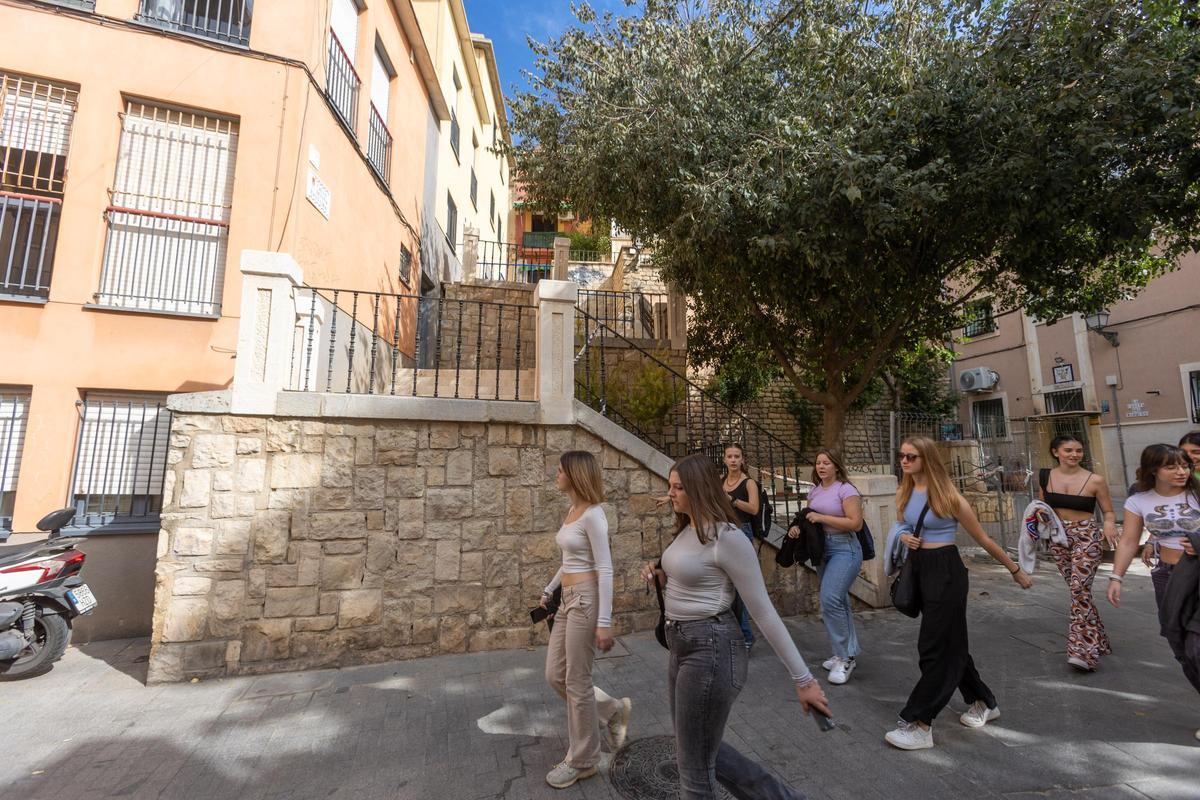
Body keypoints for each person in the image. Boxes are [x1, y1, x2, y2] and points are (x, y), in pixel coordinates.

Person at [640, 454, 831, 800]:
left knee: (694, 771)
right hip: (681, 645)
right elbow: (694, 575)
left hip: (710, 650)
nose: (671, 494)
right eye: (669, 486)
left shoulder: (728, 538)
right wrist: (662, 574)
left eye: (679, 487)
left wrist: (804, 680)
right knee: (694, 747)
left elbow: (763, 612)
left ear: (699, 489)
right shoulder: (687, 527)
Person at [885, 437, 1033, 751]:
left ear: (927, 459)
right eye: (902, 456)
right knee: (952, 645)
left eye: (911, 456)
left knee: (933, 647)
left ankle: (921, 723)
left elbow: (983, 539)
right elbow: (900, 526)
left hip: (947, 573)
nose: (905, 461)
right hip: (921, 569)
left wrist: (1015, 569)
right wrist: (905, 538)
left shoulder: (950, 498)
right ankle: (984, 702)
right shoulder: (906, 491)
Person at [539, 451, 632, 789]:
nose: (556, 474)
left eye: (561, 470)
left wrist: (604, 620)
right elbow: (569, 559)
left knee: (577, 681)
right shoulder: (572, 510)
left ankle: (583, 760)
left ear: (576, 475)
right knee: (555, 675)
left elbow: (605, 568)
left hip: (586, 602)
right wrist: (550, 589)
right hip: (567, 600)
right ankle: (610, 709)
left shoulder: (594, 516)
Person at [1106, 444, 1200, 734]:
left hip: (1198, 574)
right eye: (1172, 466)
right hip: (1167, 576)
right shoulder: (1139, 501)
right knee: (1178, 643)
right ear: (1153, 470)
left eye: (1184, 465)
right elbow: (1128, 541)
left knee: (1197, 646)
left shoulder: (1197, 493)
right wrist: (1116, 577)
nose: (1181, 471)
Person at [1037, 435, 1118, 671]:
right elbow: (1042, 506)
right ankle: (1100, 641)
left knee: (1078, 589)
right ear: (1056, 452)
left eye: (1079, 451)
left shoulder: (1095, 480)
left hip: (1087, 535)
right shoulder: (1045, 477)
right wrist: (1040, 516)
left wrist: (1110, 524)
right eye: (1069, 450)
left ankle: (1083, 652)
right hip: (1059, 537)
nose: (1074, 455)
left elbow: (1109, 511)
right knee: (1079, 591)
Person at [790, 450, 863, 685]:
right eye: (818, 463)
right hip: (822, 548)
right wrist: (799, 529)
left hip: (845, 549)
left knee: (830, 599)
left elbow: (855, 523)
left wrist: (822, 519)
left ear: (836, 466)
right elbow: (809, 518)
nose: (821, 466)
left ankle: (845, 658)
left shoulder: (846, 490)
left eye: (826, 463)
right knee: (838, 601)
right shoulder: (815, 490)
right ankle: (844, 652)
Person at [722, 443, 760, 648]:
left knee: (741, 588)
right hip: (724, 532)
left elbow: (754, 509)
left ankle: (746, 636)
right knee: (727, 586)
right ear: (724, 459)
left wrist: (732, 500)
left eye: (737, 456)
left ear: (742, 459)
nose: (734, 460)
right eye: (730, 456)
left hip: (743, 532)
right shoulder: (721, 481)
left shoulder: (749, 483)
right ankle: (735, 634)